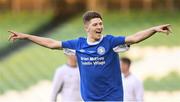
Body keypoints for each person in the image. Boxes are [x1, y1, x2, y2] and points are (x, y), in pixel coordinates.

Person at [8, 11, 171, 101]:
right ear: (87, 28)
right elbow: (51, 44)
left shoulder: (110, 42)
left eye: (101, 23)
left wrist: (153, 29)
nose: (100, 26)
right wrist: (27, 36)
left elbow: (134, 38)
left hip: (112, 97)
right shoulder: (78, 45)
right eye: (95, 24)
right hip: (90, 99)